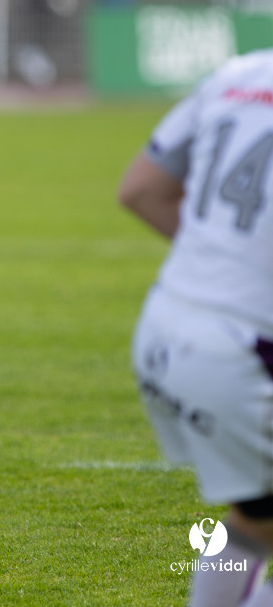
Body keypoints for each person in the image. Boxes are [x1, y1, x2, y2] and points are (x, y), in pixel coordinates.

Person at [120, 51, 273, 606]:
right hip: (246, 353)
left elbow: (139, 190)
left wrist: (221, 264)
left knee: (255, 520)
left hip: (166, 327)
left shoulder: (238, 75)